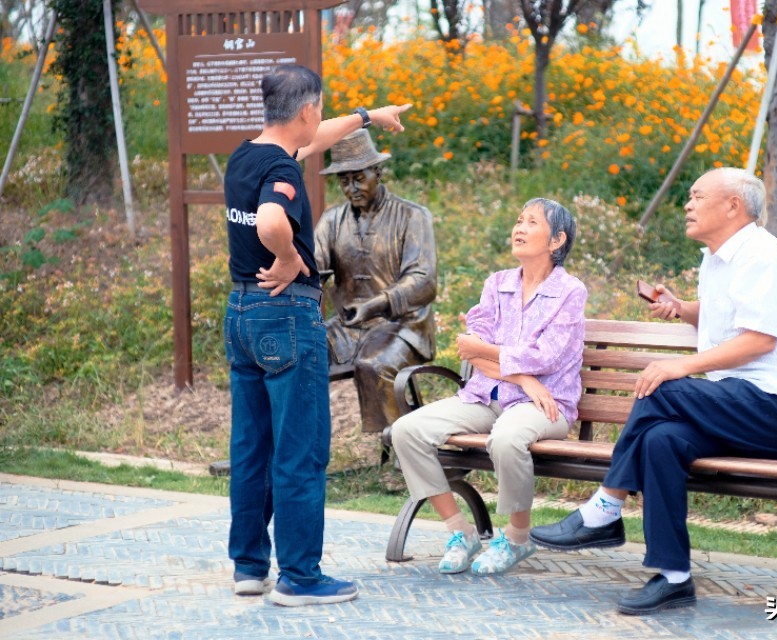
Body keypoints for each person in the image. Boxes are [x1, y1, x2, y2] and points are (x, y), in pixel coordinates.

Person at [529, 167, 777, 615]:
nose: (687, 205)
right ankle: (673, 578)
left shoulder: (765, 256)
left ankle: (605, 508)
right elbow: (728, 315)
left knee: (662, 387)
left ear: (733, 206)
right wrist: (682, 308)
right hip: (736, 405)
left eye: (697, 196)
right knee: (660, 439)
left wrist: (679, 366)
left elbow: (759, 340)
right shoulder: (717, 259)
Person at [223, 63, 410, 607]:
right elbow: (271, 221)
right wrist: (287, 258)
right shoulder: (281, 168)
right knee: (300, 449)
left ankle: (249, 566)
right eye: (319, 110)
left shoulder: (246, 155)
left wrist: (368, 116)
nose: (320, 119)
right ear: (306, 110)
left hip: (242, 313)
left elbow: (315, 139)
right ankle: (300, 577)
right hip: (285, 315)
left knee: (252, 446)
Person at [391, 198, 586, 576]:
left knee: (507, 438)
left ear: (557, 240)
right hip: (488, 396)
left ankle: (517, 537)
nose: (520, 228)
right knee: (407, 430)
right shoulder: (498, 283)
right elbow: (472, 350)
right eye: (519, 220)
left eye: (532, 222)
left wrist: (491, 355)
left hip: (545, 405)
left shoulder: (570, 291)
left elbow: (545, 357)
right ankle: (460, 532)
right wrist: (522, 378)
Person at [314, 129, 437, 434]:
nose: (352, 188)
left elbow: (424, 280)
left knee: (374, 365)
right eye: (344, 181)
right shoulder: (332, 220)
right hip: (347, 327)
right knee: (297, 354)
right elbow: (313, 262)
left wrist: (376, 304)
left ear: (378, 172)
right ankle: (299, 444)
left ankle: (399, 445)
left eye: (359, 178)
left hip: (403, 326)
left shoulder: (412, 216)